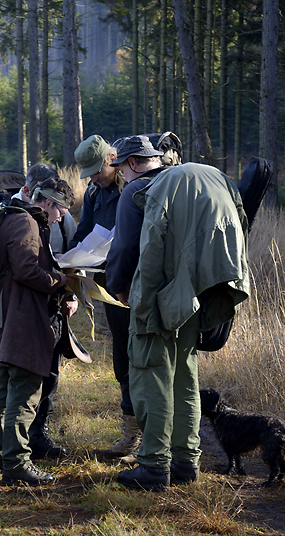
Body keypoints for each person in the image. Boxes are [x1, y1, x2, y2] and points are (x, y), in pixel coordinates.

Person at [106, 142, 250, 491]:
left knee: (151, 374)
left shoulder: (138, 190)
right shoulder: (207, 177)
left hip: (158, 295)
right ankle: (187, 462)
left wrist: (119, 288)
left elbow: (125, 248)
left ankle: (154, 465)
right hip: (198, 295)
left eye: (122, 169)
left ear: (134, 163)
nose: (121, 177)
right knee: (185, 375)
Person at [0, 176, 76, 486]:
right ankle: (16, 463)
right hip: (21, 315)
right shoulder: (26, 222)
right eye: (61, 209)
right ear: (47, 202)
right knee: (24, 387)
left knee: (4, 384)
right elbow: (25, 270)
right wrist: (59, 281)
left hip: (6, 311)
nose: (62, 215)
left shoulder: (12, 215)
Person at [70, 134, 150, 461]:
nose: (92, 177)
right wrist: (69, 257)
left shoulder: (136, 188)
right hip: (109, 284)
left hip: (139, 284)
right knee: (122, 356)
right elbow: (86, 232)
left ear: (112, 159)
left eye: (96, 170)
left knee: (146, 354)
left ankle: (155, 439)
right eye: (87, 172)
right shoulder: (92, 193)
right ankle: (130, 436)